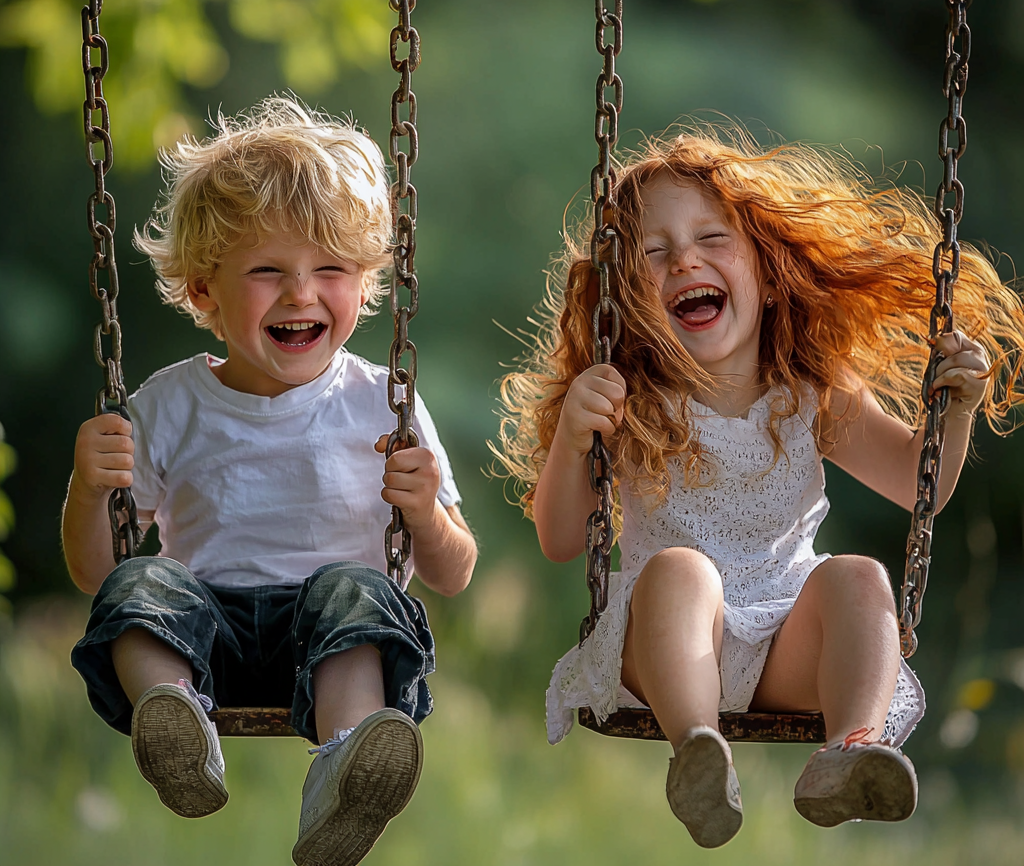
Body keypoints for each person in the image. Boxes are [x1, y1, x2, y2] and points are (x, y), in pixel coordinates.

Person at [495, 128, 1024, 848]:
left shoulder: (812, 394)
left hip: (784, 641)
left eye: (711, 237)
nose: (684, 258)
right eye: (654, 253)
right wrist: (572, 437)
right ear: (627, 302)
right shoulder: (629, 400)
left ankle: (849, 753)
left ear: (768, 275)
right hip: (663, 646)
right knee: (683, 571)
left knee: (860, 579)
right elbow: (561, 540)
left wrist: (952, 414)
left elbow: (915, 484)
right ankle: (699, 754)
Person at [62, 97, 477, 866]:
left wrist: (425, 513)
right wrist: (88, 489)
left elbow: (451, 573)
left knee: (355, 589)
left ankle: (346, 765)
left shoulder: (383, 401)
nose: (300, 293)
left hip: (328, 643)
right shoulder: (167, 405)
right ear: (204, 292)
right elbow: (96, 575)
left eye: (331, 269)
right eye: (268, 271)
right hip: (203, 635)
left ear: (364, 283)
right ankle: (174, 723)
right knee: (144, 584)